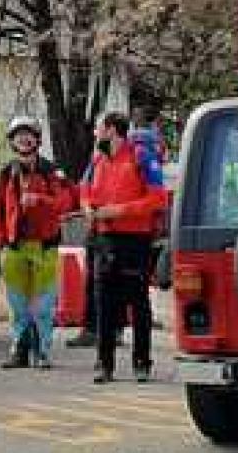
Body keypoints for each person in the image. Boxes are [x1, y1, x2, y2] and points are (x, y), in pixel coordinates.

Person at [80, 111, 170, 384]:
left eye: (98, 128)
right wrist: (86, 207)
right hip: (104, 240)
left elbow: (158, 199)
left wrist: (118, 211)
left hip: (135, 240)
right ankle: (104, 363)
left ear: (110, 130)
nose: (95, 133)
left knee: (138, 302)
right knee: (103, 302)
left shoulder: (141, 157)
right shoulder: (97, 159)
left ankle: (141, 362)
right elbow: (83, 187)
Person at [0, 117, 77, 369]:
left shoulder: (52, 172)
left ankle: (42, 351)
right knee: (17, 306)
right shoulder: (6, 174)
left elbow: (66, 204)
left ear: (37, 140)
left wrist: (40, 199)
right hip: (14, 247)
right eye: (19, 136)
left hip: (45, 247)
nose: (24, 140)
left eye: (28, 135)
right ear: (12, 142)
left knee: (42, 306)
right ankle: (19, 350)